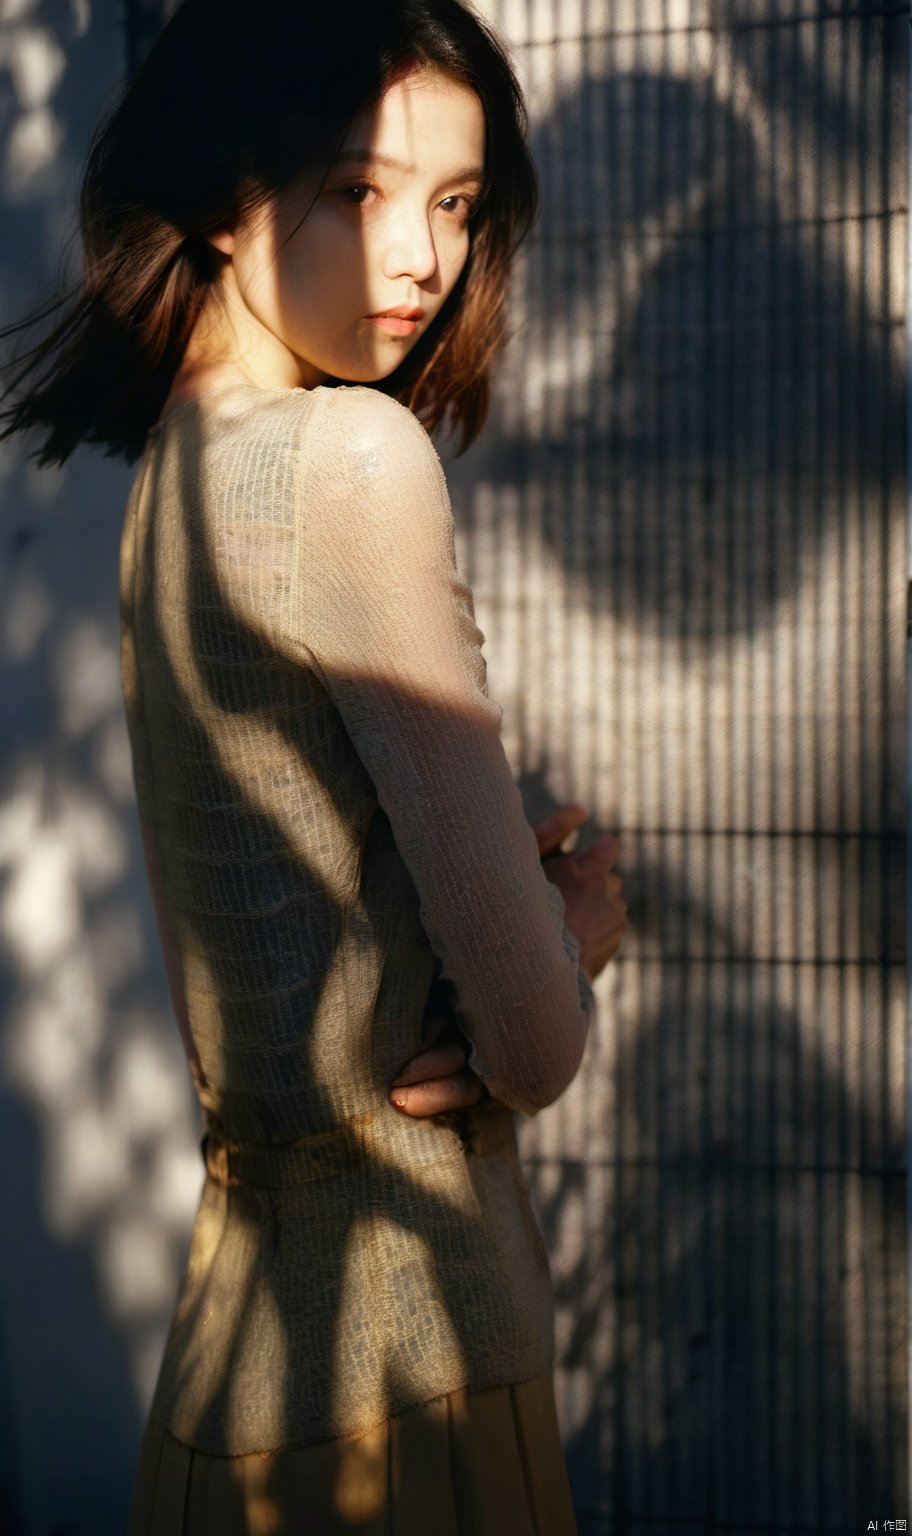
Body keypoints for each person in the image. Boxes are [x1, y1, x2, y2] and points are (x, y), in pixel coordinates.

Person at [1, 1, 626, 1528]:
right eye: (360, 190)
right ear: (231, 193)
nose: (425, 256)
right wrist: (581, 928)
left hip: (235, 1366)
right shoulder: (346, 461)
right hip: (406, 1375)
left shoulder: (174, 488)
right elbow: (534, 1046)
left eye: (459, 204)